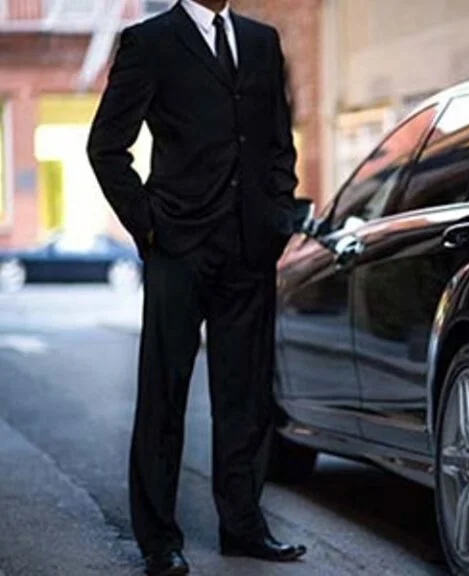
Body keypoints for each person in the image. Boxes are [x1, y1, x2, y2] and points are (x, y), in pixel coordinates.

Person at [87, 0, 306, 574]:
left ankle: (243, 526)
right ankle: (159, 539)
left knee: (245, 396)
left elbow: (277, 141)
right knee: (165, 394)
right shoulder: (149, 42)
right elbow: (106, 147)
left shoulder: (262, 41)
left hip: (249, 249)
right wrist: (149, 223)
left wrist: (278, 214)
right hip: (178, 249)